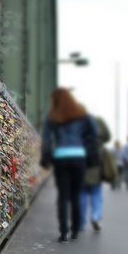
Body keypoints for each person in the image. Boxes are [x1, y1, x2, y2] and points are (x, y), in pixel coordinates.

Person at [40, 88, 99, 243]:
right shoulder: (82, 114)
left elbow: (46, 139)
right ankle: (75, 230)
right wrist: (88, 149)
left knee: (63, 196)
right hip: (79, 156)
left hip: (60, 157)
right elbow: (94, 133)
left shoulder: (52, 116)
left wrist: (46, 157)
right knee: (76, 194)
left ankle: (63, 232)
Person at [79, 116, 111, 231]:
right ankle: (96, 216)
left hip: (82, 165)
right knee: (96, 193)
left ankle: (81, 222)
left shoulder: (80, 126)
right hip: (96, 165)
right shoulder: (100, 123)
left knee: (81, 194)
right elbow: (108, 137)